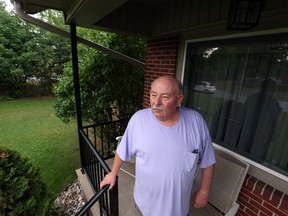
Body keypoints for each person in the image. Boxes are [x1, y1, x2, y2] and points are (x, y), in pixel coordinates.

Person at [100, 75, 216, 216]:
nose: (156, 102)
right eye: (153, 95)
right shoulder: (138, 120)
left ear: (179, 100)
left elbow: (208, 161)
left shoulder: (196, 122)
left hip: (178, 211)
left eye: (165, 97)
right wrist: (113, 173)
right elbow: (123, 150)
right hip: (143, 208)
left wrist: (204, 191)